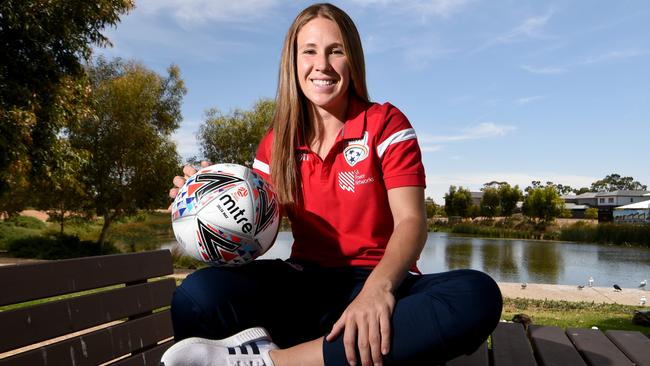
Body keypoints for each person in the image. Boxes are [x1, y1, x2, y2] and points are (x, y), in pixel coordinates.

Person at [162, 3, 502, 366]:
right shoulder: (277, 142)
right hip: (304, 286)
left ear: (351, 59)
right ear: (292, 62)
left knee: (476, 294)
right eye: (309, 51)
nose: (321, 64)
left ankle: (270, 363)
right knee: (196, 296)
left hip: (381, 279)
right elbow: (253, 227)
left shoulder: (385, 123)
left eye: (335, 51)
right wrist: (207, 206)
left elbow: (411, 223)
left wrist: (377, 290)